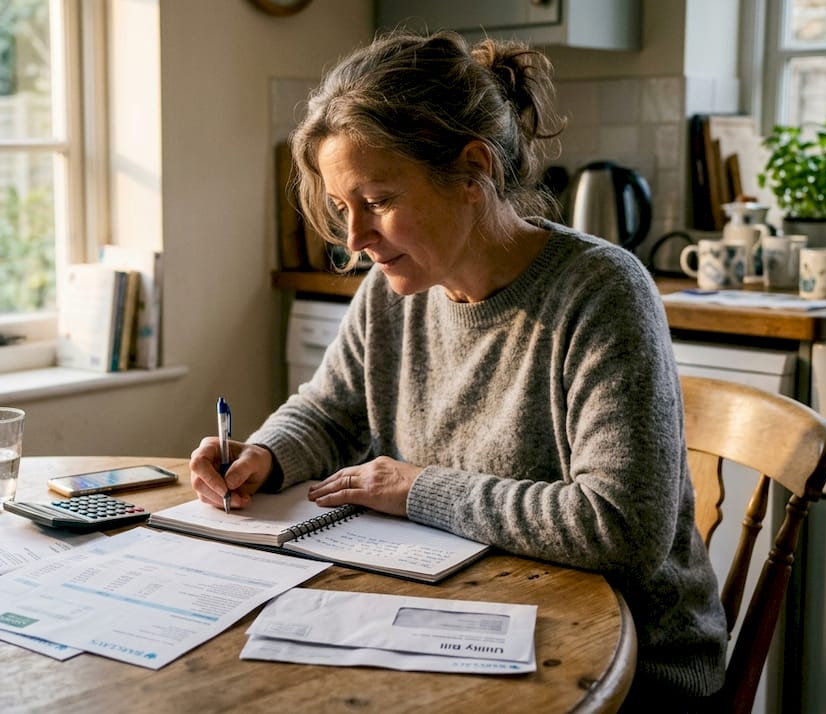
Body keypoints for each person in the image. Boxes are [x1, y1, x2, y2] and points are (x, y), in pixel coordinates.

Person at [189, 30, 726, 706]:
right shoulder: (393, 292)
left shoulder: (602, 292)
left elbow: (620, 529)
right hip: (458, 622)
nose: (355, 240)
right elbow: (329, 411)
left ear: (472, 172)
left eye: (377, 202)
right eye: (340, 209)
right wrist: (264, 453)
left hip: (628, 671)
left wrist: (417, 489)